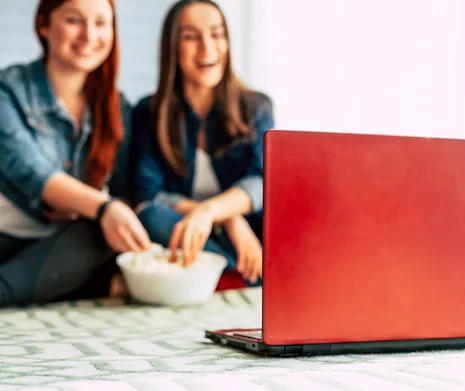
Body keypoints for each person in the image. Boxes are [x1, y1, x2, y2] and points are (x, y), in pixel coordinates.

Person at [0, 0, 152, 307]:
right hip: (9, 239)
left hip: (67, 248)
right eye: (74, 20)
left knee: (110, 234)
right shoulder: (8, 90)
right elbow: (30, 172)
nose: (89, 35)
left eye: (100, 23)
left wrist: (100, 209)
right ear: (44, 25)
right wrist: (101, 207)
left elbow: (123, 192)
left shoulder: (117, 107)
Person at [134, 0, 274, 286]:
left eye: (216, 34)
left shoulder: (256, 107)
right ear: (172, 47)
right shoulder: (148, 112)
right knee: (150, 216)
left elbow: (262, 180)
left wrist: (211, 211)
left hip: (252, 237)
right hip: (189, 235)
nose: (207, 48)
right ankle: (236, 279)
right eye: (190, 37)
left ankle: (233, 278)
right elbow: (148, 195)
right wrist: (226, 219)